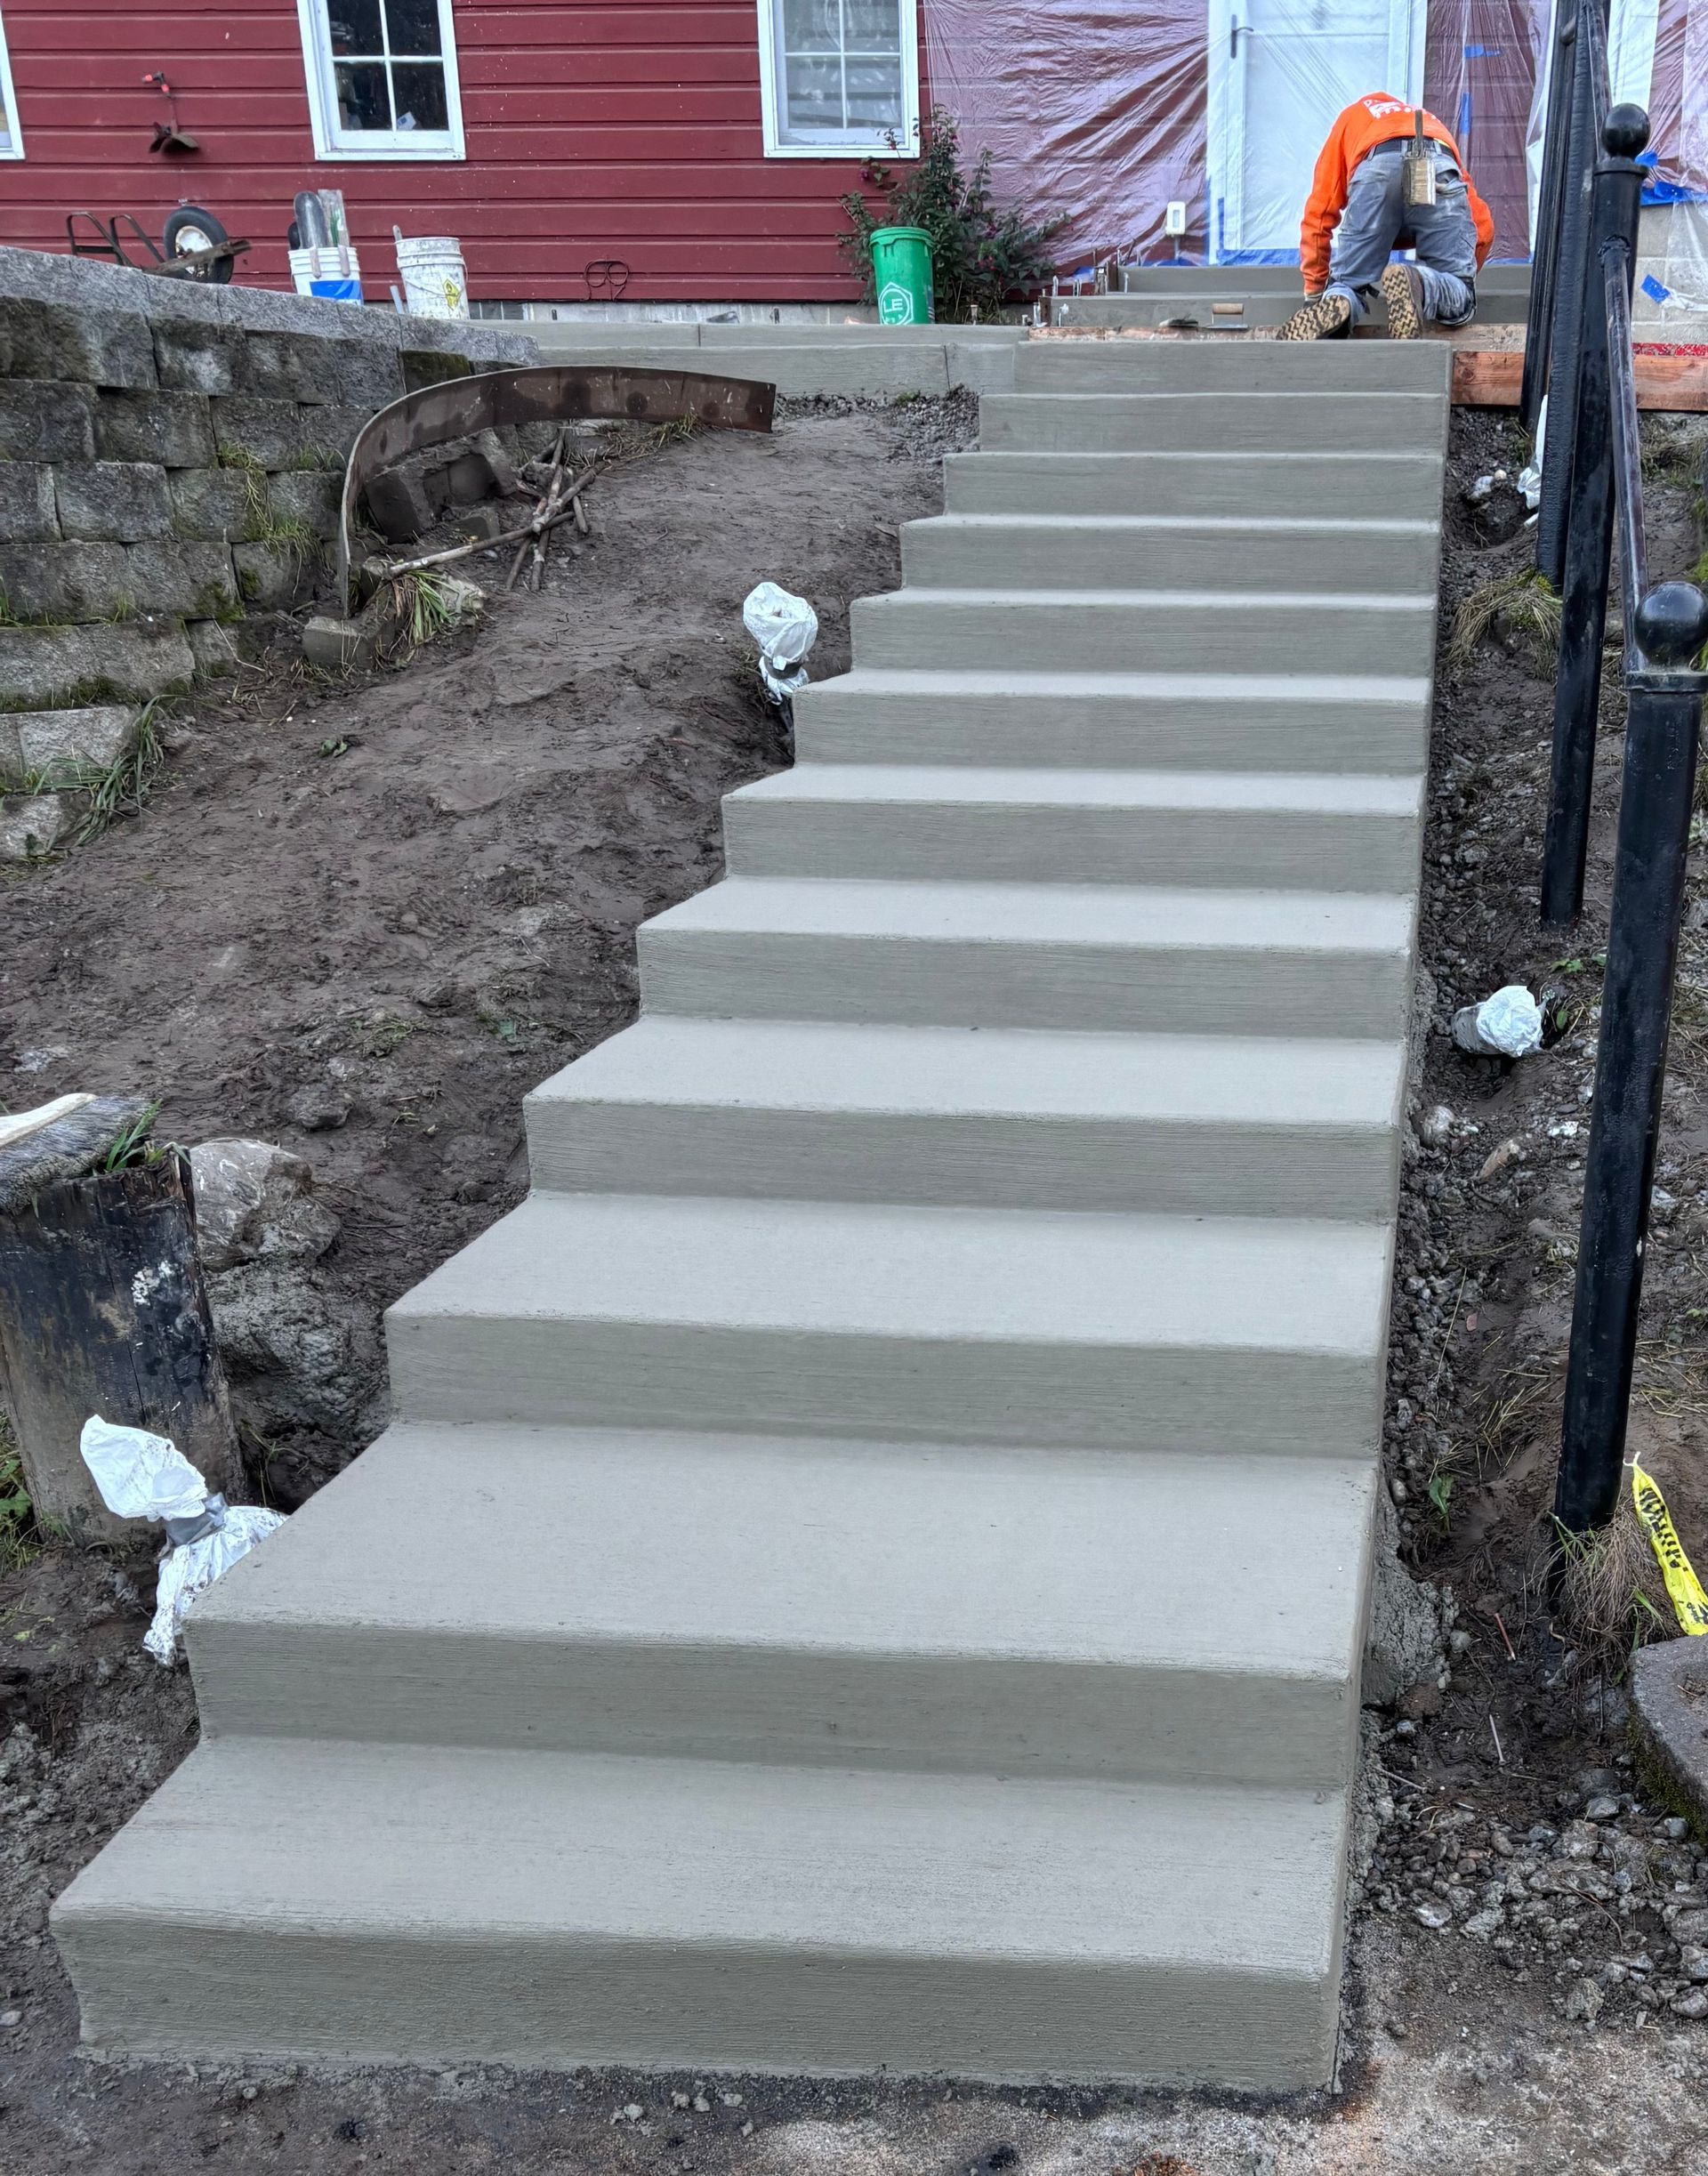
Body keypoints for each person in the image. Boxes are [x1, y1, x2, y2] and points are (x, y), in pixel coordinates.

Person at [1279, 93, 1495, 340]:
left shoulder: (1352, 118)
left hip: (1376, 170)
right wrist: (1455, 277)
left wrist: (1315, 293)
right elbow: (1483, 229)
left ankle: (1339, 300)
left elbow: (1319, 214)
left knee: (1347, 284)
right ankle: (1422, 283)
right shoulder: (1428, 120)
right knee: (1460, 297)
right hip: (1436, 166)